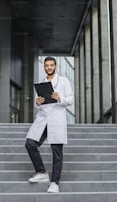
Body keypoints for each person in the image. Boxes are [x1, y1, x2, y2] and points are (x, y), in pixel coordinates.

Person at [25, 56, 74, 193]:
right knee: (30, 143)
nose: (49, 68)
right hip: (42, 119)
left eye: (51, 65)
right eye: (47, 65)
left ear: (55, 66)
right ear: (44, 67)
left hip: (56, 120)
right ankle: (41, 172)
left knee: (56, 152)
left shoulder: (64, 81)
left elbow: (70, 100)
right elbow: (39, 104)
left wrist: (60, 98)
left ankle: (55, 183)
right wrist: (37, 103)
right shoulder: (41, 84)